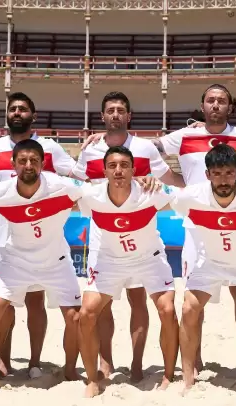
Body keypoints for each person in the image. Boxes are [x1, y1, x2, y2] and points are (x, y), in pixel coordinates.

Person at [83, 84, 236, 379]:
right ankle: (194, 359)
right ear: (202, 106)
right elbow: (146, 146)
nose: (215, 105)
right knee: (194, 299)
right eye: (210, 100)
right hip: (196, 224)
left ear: (230, 107)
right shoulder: (184, 135)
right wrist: (107, 135)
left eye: (221, 101)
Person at [72, 91, 184, 382]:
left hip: (139, 232)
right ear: (102, 116)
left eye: (120, 110)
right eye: (110, 110)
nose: (115, 115)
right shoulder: (91, 148)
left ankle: (136, 363)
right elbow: (79, 183)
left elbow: (169, 179)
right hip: (103, 236)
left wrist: (197, 183)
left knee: (138, 300)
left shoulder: (144, 148)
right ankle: (105, 362)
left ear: (129, 116)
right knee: (102, 305)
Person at [0, 92, 77, 378]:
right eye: (13, 109)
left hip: (38, 237)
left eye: (23, 109)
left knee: (35, 301)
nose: (17, 113)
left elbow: (77, 173)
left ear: (33, 115)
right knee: (2, 305)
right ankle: (3, 362)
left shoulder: (49, 148)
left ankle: (34, 362)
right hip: (0, 239)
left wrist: (96, 144)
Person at [169, 143, 236, 396]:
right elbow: (158, 201)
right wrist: (145, 183)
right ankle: (188, 378)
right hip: (210, 262)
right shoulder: (191, 197)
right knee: (188, 309)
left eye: (229, 173)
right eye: (217, 173)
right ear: (207, 174)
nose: (223, 179)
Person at [77, 145, 178, 397]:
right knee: (87, 313)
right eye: (112, 166)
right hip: (110, 261)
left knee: (167, 310)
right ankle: (93, 379)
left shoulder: (151, 191)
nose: (118, 171)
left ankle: (167, 374)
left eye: (124, 166)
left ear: (134, 170)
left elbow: (188, 196)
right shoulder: (90, 195)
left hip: (148, 259)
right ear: (104, 171)